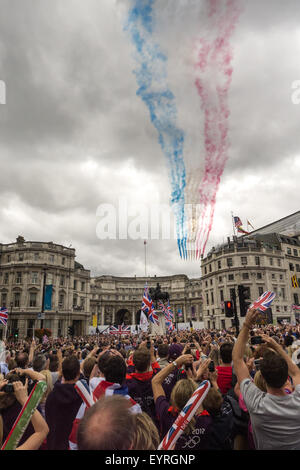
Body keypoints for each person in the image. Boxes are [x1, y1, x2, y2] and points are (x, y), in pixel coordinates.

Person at [232, 308, 300, 450]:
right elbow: (295, 372)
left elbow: (237, 359)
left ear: (261, 377)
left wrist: (246, 325)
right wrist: (276, 345)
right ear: (286, 375)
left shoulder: (256, 404)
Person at [152, 354, 213, 450]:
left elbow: (155, 381)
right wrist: (196, 378)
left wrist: (177, 362)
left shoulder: (166, 414)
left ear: (174, 397)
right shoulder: (205, 420)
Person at [45, 355, 82, 450]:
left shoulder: (51, 396)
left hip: (54, 444)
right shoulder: (82, 398)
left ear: (62, 373)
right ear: (78, 373)